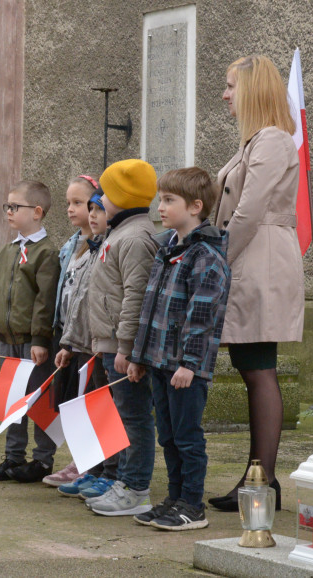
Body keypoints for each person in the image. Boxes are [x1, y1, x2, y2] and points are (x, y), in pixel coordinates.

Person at [210, 55, 303, 511]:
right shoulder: (256, 141)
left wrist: (216, 262)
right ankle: (258, 478)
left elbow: (247, 210)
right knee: (253, 367)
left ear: (251, 89)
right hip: (252, 255)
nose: (225, 94)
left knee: (258, 368)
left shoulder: (271, 139)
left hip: (259, 258)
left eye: (230, 86)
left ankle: (262, 481)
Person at [127, 166, 230, 531]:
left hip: (185, 369)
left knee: (187, 437)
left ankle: (192, 505)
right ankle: (173, 498)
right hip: (158, 363)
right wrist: (139, 357)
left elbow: (202, 317)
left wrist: (189, 363)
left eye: (169, 200)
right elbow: (150, 308)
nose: (161, 206)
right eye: (160, 198)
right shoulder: (167, 249)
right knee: (167, 436)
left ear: (195, 206)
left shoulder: (205, 256)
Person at [85, 159, 158, 517]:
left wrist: (126, 348)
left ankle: (135, 487)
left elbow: (135, 296)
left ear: (121, 198)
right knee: (122, 414)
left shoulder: (134, 237)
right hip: (109, 343)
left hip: (121, 347)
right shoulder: (119, 232)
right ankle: (124, 480)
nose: (99, 198)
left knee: (134, 416)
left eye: (106, 193)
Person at [0, 180, 61, 483]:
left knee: (39, 401)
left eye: (15, 207)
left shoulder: (46, 253)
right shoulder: (5, 252)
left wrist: (41, 339)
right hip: (7, 341)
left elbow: (45, 299)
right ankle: (13, 457)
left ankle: (42, 460)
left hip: (32, 343)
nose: (8, 212)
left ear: (37, 212)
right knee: (12, 401)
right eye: (7, 206)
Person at [53, 188, 120, 502]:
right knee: (92, 410)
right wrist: (67, 343)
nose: (92, 216)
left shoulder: (111, 247)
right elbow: (78, 301)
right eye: (89, 209)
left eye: (98, 209)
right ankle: (94, 468)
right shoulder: (89, 248)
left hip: (104, 345)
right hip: (83, 343)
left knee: (110, 411)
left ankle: (112, 472)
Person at [43, 174, 100, 488]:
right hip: (67, 333)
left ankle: (87, 462)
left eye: (78, 202)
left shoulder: (100, 245)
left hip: (89, 337)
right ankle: (78, 459)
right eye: (69, 203)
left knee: (87, 398)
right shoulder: (70, 246)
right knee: (70, 400)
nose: (71, 209)